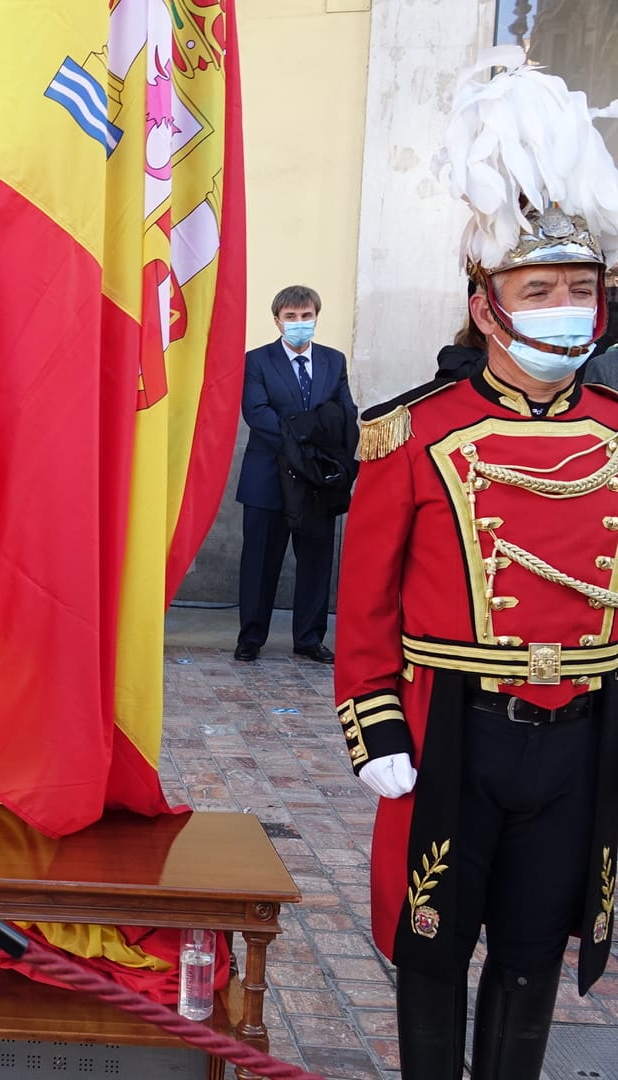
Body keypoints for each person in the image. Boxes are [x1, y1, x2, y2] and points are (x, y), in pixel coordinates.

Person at [336, 51, 618, 1079]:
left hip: (579, 736)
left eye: (577, 289)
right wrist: (370, 726)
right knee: (431, 946)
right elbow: (361, 603)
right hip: (453, 728)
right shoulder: (411, 434)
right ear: (485, 303)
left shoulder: (615, 431)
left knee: (533, 954)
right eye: (535, 288)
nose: (560, 308)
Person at [232, 285, 357, 664]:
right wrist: (308, 433)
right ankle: (251, 637)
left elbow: (344, 415)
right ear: (277, 321)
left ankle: (309, 638)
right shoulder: (257, 361)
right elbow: (258, 414)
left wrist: (309, 437)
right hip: (268, 477)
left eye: (306, 316)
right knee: (259, 562)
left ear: (317, 317)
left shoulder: (334, 361)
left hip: (317, 481)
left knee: (316, 562)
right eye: (291, 317)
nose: (299, 323)